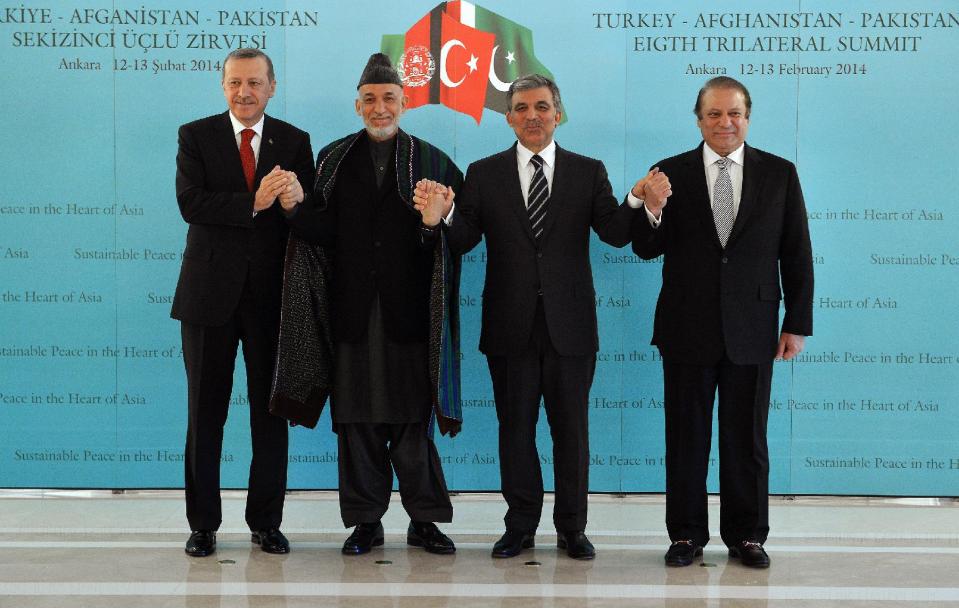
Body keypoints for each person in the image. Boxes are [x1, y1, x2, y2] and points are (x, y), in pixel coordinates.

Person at [414, 74, 652, 560]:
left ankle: (572, 529)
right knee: (515, 431)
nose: (532, 116)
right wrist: (440, 218)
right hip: (510, 328)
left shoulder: (588, 172)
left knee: (573, 434)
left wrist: (635, 199)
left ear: (558, 113)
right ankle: (520, 525)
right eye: (521, 108)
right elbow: (464, 242)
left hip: (572, 330)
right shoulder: (484, 173)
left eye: (542, 106)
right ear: (509, 118)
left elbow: (613, 233)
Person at [279, 53, 463, 556]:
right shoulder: (333, 159)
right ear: (357, 105)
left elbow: (458, 240)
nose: (380, 108)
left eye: (389, 99)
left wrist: (434, 224)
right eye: (370, 100)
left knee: (411, 426)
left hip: (410, 317)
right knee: (356, 424)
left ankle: (425, 520)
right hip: (352, 316)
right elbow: (321, 233)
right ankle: (365, 522)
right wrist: (294, 206)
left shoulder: (434, 163)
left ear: (405, 103)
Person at [632, 76, 814, 569]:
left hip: (754, 328)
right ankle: (686, 535)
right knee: (685, 436)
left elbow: (796, 252)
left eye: (734, 113)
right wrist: (650, 208)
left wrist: (795, 323)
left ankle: (748, 535)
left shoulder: (780, 174)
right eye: (714, 114)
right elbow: (646, 248)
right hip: (686, 328)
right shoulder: (668, 173)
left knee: (746, 439)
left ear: (747, 118)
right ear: (698, 119)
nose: (724, 122)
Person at [171, 48, 314, 557]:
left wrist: (295, 201)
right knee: (204, 413)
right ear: (223, 86)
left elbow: (311, 219)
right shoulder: (196, 135)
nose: (244, 92)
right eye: (235, 82)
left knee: (269, 415)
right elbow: (191, 203)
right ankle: (203, 525)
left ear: (272, 86)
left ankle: (266, 522)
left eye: (254, 82)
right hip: (208, 299)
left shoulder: (294, 141)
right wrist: (253, 202)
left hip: (272, 301)